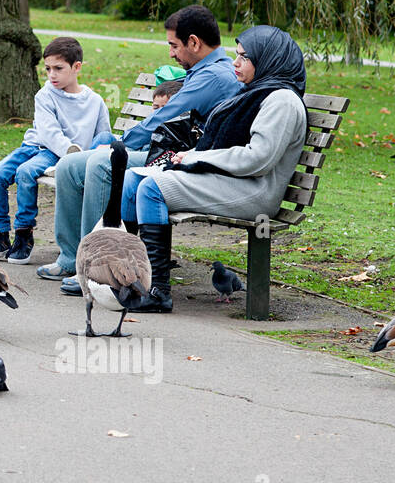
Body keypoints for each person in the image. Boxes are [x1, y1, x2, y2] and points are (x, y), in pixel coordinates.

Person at [38, 5, 242, 295]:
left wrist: (120, 142)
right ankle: (71, 257)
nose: (171, 53)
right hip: (167, 148)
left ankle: (95, 266)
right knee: (71, 167)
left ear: (194, 42)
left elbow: (166, 115)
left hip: (182, 158)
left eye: (174, 45)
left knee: (101, 163)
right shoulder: (204, 70)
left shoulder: (213, 76)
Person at [120, 25, 308, 313]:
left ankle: (157, 291)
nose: (235, 63)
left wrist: (198, 160)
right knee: (134, 179)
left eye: (244, 57)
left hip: (255, 193)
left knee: (152, 188)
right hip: (234, 180)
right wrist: (190, 154)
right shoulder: (258, 92)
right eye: (237, 55)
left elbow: (257, 159)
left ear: (269, 59)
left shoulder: (281, 100)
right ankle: (130, 278)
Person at [0, 36, 111, 264]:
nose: (52, 75)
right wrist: (69, 151)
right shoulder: (45, 95)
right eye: (48, 69)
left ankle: (24, 234)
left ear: (77, 67)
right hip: (35, 146)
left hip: (58, 155)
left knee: (25, 174)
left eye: (58, 69)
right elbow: (48, 132)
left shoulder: (95, 102)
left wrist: (78, 158)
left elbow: (103, 136)